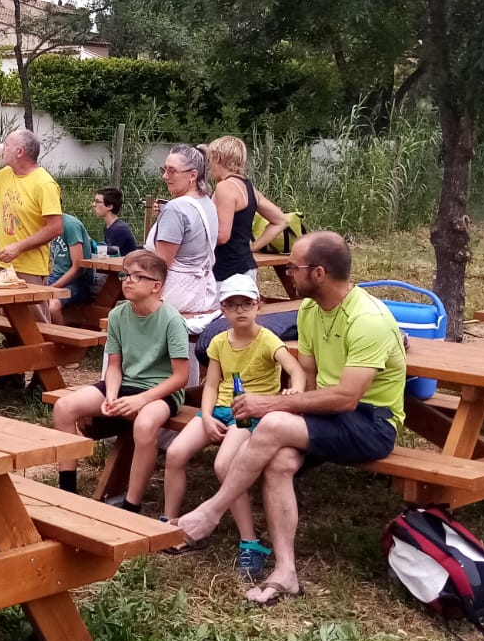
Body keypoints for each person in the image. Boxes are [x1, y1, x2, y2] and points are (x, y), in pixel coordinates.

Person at [175, 232, 407, 605]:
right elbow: (312, 381)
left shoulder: (368, 320)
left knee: (273, 422)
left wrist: (271, 405)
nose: (287, 272)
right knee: (280, 459)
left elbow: (347, 398)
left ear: (318, 273)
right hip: (329, 414)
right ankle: (286, 572)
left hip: (372, 422)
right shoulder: (310, 311)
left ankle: (210, 512)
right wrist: (293, 403)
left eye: (292, 267)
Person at [162, 276, 303, 581]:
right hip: (219, 410)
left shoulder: (267, 339)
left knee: (225, 465)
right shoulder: (218, 342)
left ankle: (250, 542)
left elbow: (295, 370)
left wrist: (294, 391)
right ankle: (171, 523)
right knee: (175, 452)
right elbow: (211, 384)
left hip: (249, 413)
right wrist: (207, 415)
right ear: (222, 309)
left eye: (247, 303)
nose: (240, 310)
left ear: (258, 305)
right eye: (232, 304)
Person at [50, 249, 191, 510]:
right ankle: (67, 489)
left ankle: (131, 503)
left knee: (145, 424)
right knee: (64, 407)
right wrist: (113, 395)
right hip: (124, 384)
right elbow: (114, 366)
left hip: (160, 391)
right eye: (126, 274)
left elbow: (181, 377)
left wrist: (140, 400)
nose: (127, 280)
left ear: (156, 286)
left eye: (138, 276)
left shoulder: (172, 320)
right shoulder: (117, 315)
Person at [0, 129, 62, 285]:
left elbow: (56, 228)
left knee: (32, 309)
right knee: (1, 310)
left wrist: (18, 247)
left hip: (30, 269)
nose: (1, 148)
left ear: (19, 152)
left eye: (6, 145)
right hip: (4, 264)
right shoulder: (7, 173)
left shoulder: (44, 184)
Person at [147, 144, 221, 331]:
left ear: (193, 175)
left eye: (172, 171)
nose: (165, 176)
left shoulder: (175, 208)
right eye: (164, 169)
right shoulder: (207, 202)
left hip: (174, 295)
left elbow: (161, 264)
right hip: (202, 292)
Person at [206, 135, 291, 288]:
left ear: (217, 157)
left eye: (210, 159)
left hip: (226, 269)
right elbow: (281, 220)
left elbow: (222, 236)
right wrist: (253, 247)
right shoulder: (248, 187)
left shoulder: (224, 187)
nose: (209, 166)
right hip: (246, 265)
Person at [47, 212, 97, 325]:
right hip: (55, 276)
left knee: (52, 306)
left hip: (78, 282)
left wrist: (49, 290)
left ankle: (61, 341)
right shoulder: (44, 224)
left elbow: (77, 268)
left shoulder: (70, 225)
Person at [91, 188, 138, 256]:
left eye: (97, 202)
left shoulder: (119, 228)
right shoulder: (108, 226)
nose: (93, 204)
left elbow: (113, 253)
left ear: (109, 206)